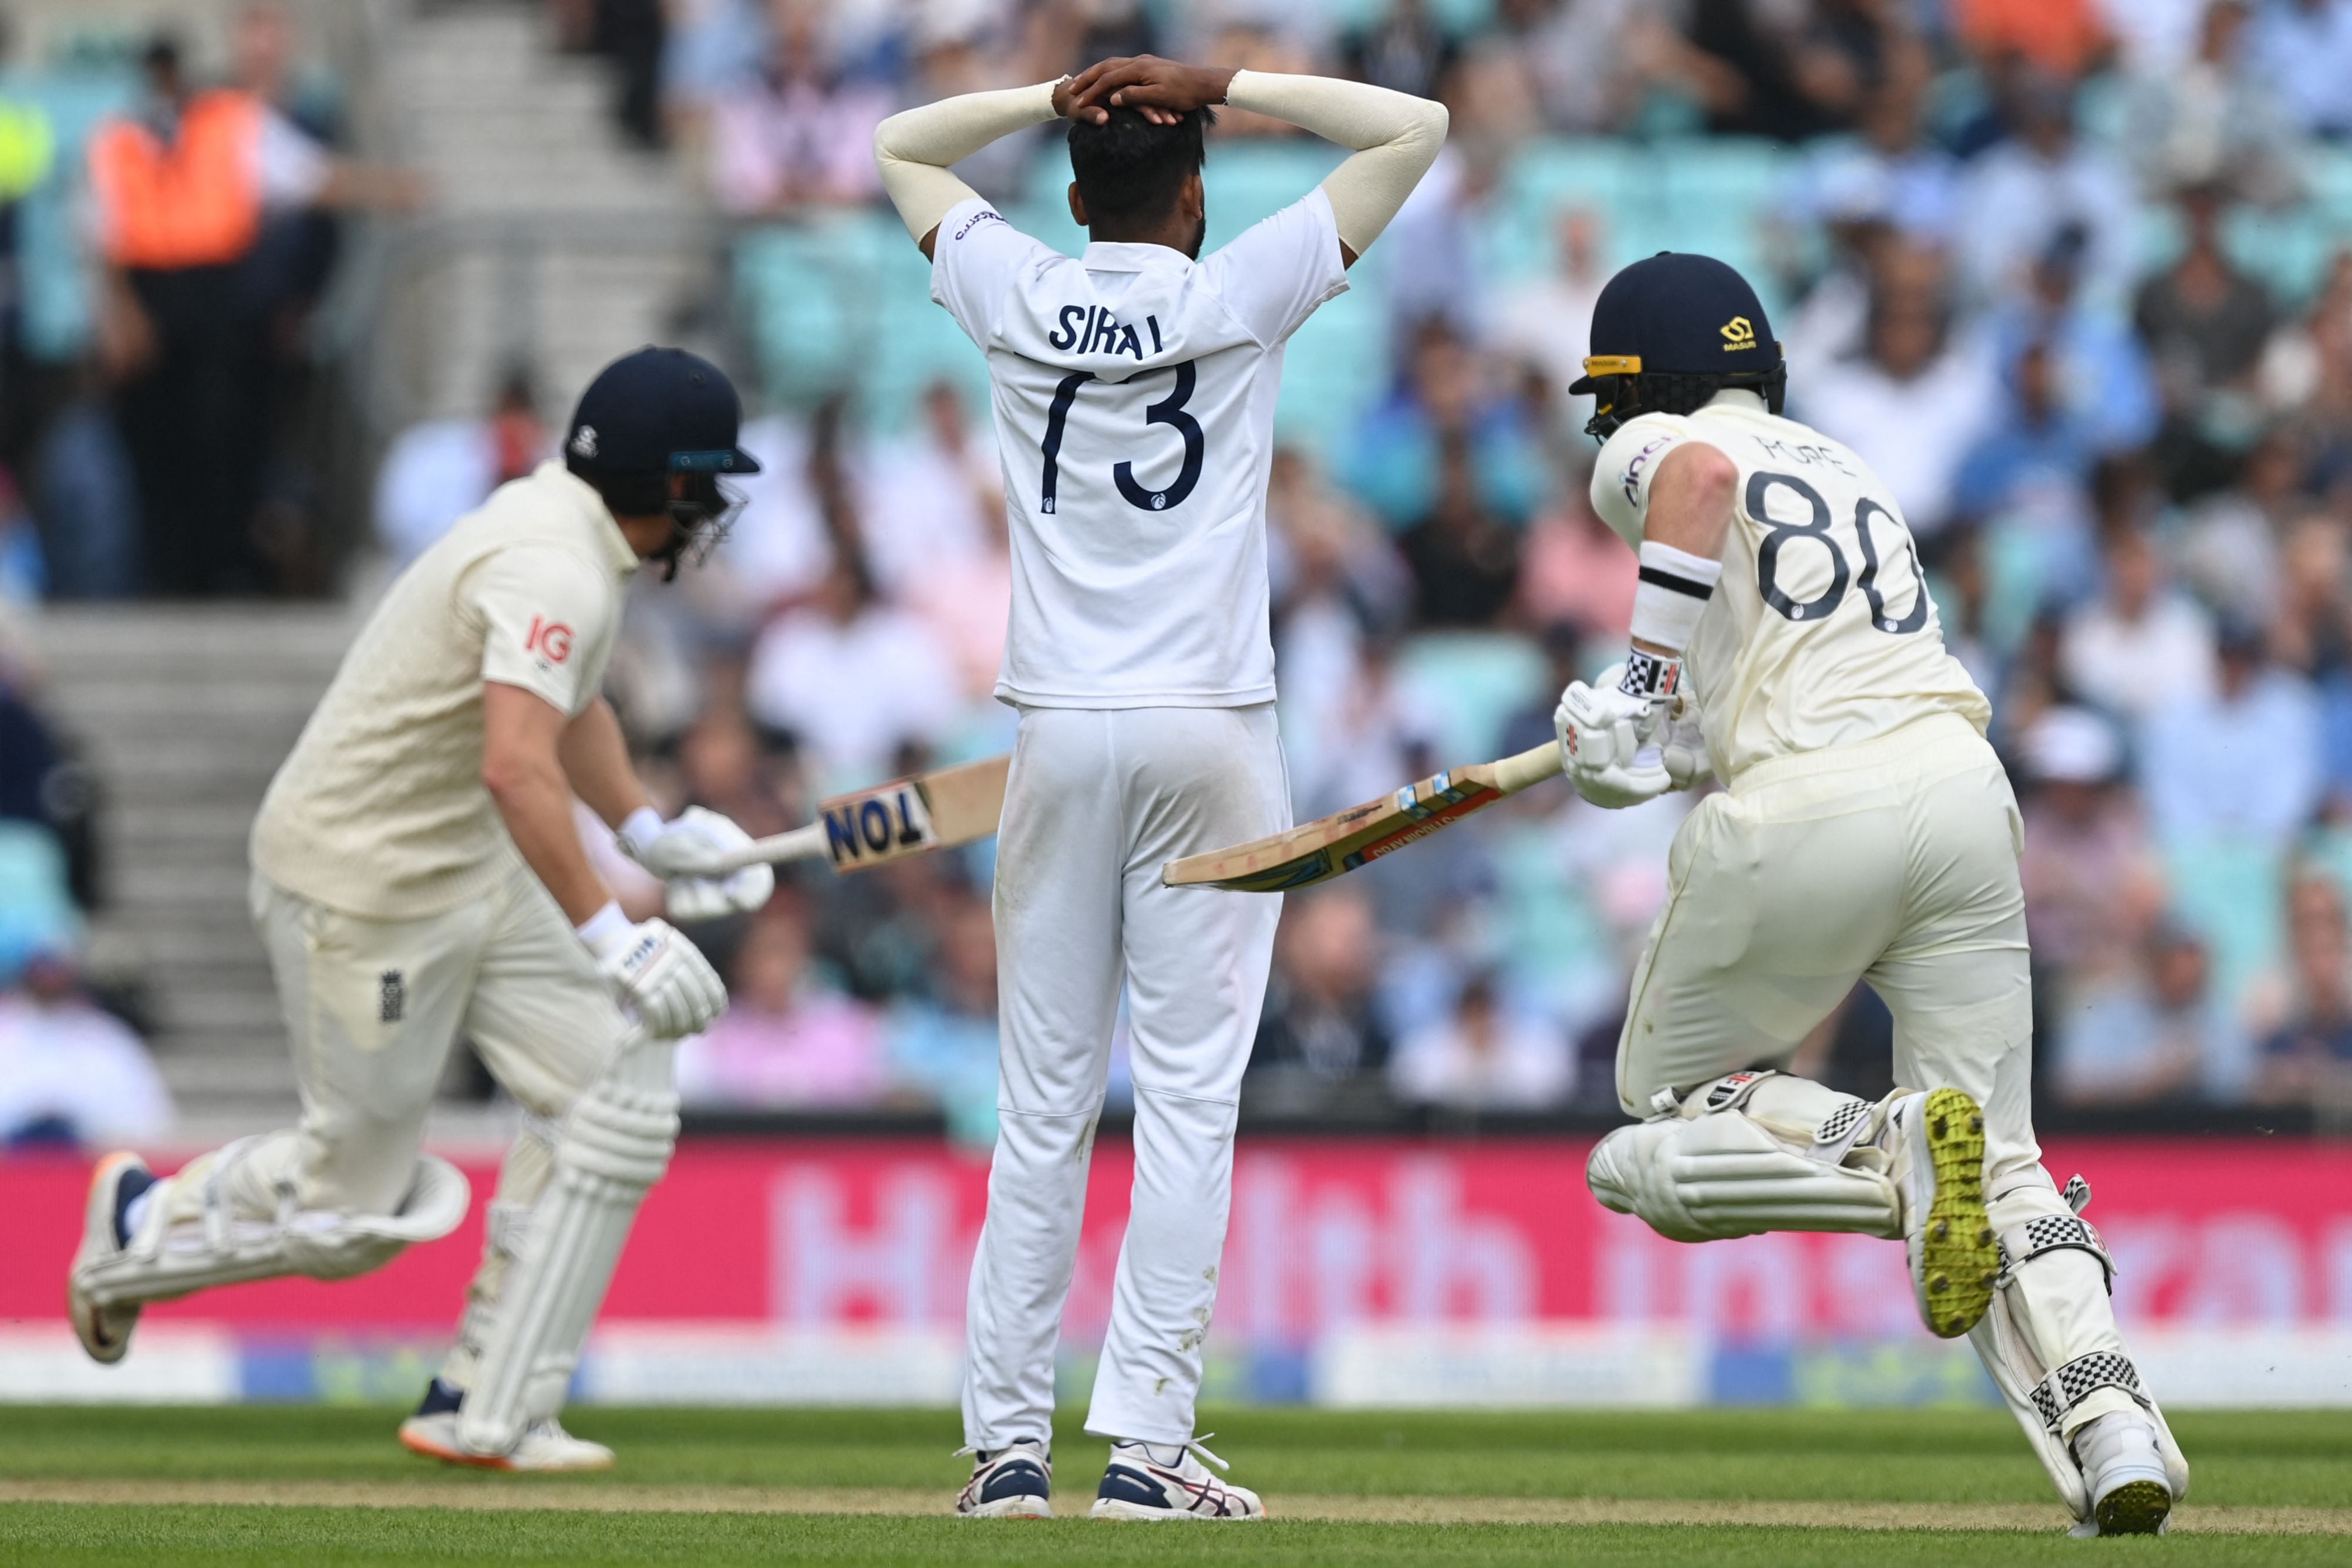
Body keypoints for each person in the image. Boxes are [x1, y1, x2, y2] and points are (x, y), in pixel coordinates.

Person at [872, 53, 1444, 1521]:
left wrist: (1043, 93)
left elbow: (897, 147)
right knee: (1186, 1102)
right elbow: (1414, 127)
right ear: (1194, 192)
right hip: (1210, 726)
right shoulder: (1233, 289)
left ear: (1074, 194)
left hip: (1057, 726)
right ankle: (1143, 1447)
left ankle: (1005, 1451)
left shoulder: (1012, 284)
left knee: (1041, 1102)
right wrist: (1223, 76)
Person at [1555, 252, 2186, 1535]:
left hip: (1807, 808)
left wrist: (1631, 687)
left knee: (1651, 1121)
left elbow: (1692, 478)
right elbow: (1791, 674)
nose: (1608, 428)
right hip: (1957, 788)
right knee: (2002, 1158)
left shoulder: (1666, 444)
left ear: (1648, 384)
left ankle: (1880, 1148)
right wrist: (1659, 742)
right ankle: (2114, 1428)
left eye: (1610, 400)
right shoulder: (1845, 464)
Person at [65, 348, 775, 1472]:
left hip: (467, 868)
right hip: (366, 886)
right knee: (353, 1215)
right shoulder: (556, 564)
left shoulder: (568, 533)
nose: (714, 511)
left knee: (611, 1094)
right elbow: (513, 765)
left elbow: (566, 698)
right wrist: (615, 929)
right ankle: (141, 1225)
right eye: (706, 485)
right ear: (667, 483)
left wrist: (646, 828)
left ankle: (485, 1397)